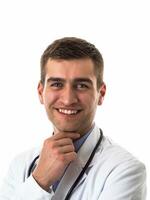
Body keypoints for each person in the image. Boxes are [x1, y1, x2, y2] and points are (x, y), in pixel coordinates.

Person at [0, 37, 146, 200]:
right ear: (41, 93)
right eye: (57, 84)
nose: (68, 99)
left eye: (81, 85)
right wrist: (39, 181)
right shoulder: (20, 165)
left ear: (101, 94)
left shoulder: (125, 170)